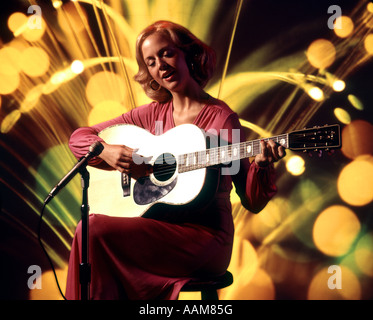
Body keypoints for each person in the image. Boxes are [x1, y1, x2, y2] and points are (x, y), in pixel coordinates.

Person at [65, 20, 285, 300]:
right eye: (151, 61)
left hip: (204, 238)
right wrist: (106, 150)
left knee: (92, 229)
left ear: (187, 54)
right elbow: (79, 137)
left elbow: (252, 200)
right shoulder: (149, 116)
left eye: (167, 53)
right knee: (90, 232)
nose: (161, 66)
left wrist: (263, 166)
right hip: (156, 225)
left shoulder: (221, 118)